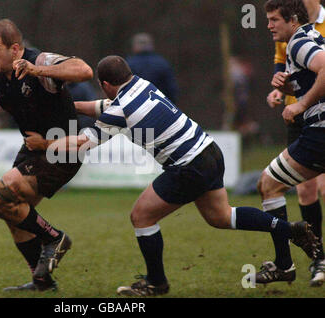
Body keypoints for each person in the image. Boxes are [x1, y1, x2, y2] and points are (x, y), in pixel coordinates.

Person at [25, 55, 319, 296]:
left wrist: (44, 144)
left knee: (141, 216)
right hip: (209, 151)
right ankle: (290, 229)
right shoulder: (140, 85)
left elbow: (80, 143)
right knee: (221, 217)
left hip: (188, 165)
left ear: (104, 84)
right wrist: (70, 106)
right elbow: (105, 107)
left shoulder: (121, 108)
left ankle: (156, 282)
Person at [0, 19, 93, 291]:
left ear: (16, 49)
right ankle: (41, 280)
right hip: (32, 148)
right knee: (10, 210)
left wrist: (38, 69)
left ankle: (55, 239)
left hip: (62, 149)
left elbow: (84, 70)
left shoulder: (40, 61)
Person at [255, 0, 325, 285]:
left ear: (292, 19)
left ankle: (284, 264)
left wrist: (300, 105)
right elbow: (311, 78)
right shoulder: (310, 35)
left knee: (269, 185)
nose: (269, 25)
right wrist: (288, 88)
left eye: (274, 20)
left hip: (319, 133)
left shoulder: (297, 43)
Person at [126, 33, 178, 104]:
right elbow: (171, 88)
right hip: (160, 105)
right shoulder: (162, 63)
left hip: (136, 106)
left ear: (135, 46)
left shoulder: (128, 64)